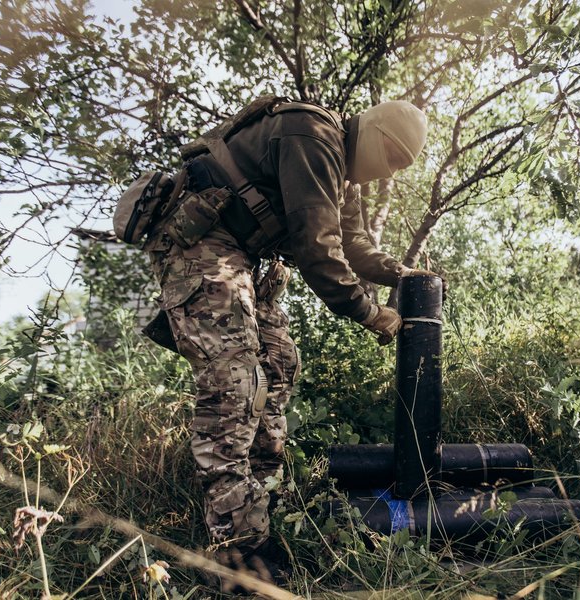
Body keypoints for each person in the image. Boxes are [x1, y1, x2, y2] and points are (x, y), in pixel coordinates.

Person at [143, 99, 430, 568]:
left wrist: (400, 273)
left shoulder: (344, 180)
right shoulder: (314, 134)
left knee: (279, 363)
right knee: (236, 382)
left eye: (402, 166)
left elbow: (354, 243)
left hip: (242, 258)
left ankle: (264, 504)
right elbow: (317, 248)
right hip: (203, 246)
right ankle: (240, 552)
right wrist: (369, 312)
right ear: (374, 130)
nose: (390, 171)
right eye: (393, 156)